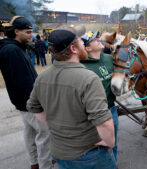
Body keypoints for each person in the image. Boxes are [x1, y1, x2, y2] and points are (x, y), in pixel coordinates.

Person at [26, 25, 116, 169]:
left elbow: (34, 108)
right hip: (89, 154)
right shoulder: (88, 78)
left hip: (59, 151)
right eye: (81, 41)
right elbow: (104, 122)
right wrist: (110, 142)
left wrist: (56, 126)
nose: (84, 44)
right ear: (73, 49)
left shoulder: (42, 76)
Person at [0, 16, 52, 169]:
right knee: (45, 134)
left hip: (25, 103)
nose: (31, 35)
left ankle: (34, 163)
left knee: (29, 133)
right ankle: (44, 166)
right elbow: (23, 83)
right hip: (30, 103)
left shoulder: (16, 47)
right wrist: (38, 103)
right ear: (16, 31)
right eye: (28, 32)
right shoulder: (12, 50)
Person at [80, 31, 119, 162]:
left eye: (98, 37)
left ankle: (113, 163)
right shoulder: (82, 66)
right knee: (100, 147)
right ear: (87, 48)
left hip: (112, 109)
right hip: (94, 115)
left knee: (113, 142)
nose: (98, 39)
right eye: (94, 39)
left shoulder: (109, 58)